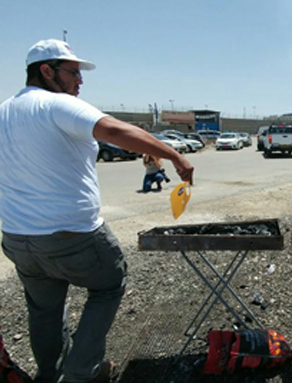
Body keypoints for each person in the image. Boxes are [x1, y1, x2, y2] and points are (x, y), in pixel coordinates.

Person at [0, 39, 194, 383]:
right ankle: (80, 373)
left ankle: (51, 375)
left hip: (18, 239)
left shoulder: (4, 111)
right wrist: (175, 155)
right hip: (72, 234)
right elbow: (117, 130)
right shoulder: (56, 105)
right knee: (108, 285)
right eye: (72, 72)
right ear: (46, 71)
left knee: (44, 310)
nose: (80, 80)